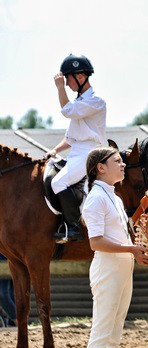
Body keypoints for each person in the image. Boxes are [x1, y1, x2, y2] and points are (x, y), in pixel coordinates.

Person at [82, 146, 148, 348]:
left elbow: (121, 238)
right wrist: (130, 251)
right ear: (100, 167)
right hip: (108, 268)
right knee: (101, 332)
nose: (123, 165)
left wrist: (141, 252)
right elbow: (96, 242)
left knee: (114, 336)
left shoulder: (113, 197)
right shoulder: (96, 200)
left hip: (123, 268)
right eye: (117, 161)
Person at [45, 54, 107, 242]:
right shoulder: (81, 102)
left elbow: (67, 111)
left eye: (68, 79)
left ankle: (74, 227)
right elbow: (71, 138)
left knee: (58, 183)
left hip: (90, 152)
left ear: (80, 77)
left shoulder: (96, 101)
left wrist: (59, 88)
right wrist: (55, 150)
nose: (67, 83)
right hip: (77, 151)